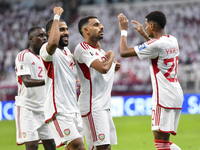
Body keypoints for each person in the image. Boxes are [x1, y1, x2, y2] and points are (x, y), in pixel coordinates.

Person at [118, 11, 183, 150]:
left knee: (161, 144)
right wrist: (144, 35)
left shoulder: (156, 44)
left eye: (147, 25)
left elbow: (123, 52)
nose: (145, 27)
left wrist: (123, 30)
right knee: (164, 142)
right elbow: (155, 49)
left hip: (163, 97)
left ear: (152, 26)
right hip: (175, 93)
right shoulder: (172, 39)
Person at [39, 6, 86, 150]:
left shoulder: (66, 52)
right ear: (50, 33)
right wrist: (56, 17)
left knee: (72, 147)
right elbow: (52, 43)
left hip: (73, 109)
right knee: (78, 147)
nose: (66, 32)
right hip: (58, 110)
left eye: (66, 29)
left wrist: (72, 81)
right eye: (61, 29)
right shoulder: (47, 49)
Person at [73, 15, 121, 150]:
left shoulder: (100, 51)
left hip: (104, 106)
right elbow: (103, 68)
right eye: (96, 24)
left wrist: (113, 69)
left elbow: (102, 74)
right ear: (86, 30)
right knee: (103, 147)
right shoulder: (82, 47)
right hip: (93, 106)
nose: (101, 27)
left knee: (103, 147)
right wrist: (111, 55)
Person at [15, 27, 56, 150]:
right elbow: (26, 81)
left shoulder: (48, 57)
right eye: (40, 35)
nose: (44, 38)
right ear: (31, 39)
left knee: (51, 145)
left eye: (45, 35)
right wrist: (51, 81)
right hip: (28, 108)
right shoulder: (23, 56)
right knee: (32, 146)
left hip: (45, 108)